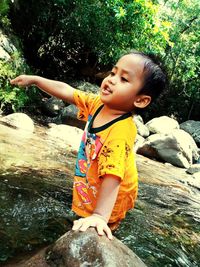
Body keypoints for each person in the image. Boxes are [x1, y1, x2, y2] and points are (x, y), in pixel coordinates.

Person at [10, 51, 166, 240]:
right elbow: (68, 92)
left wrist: (100, 216)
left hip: (114, 196)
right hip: (93, 180)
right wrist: (36, 80)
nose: (111, 80)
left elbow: (113, 175)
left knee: (97, 230)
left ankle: (103, 224)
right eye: (112, 72)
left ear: (140, 100)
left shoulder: (120, 131)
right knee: (82, 217)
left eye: (124, 79)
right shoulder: (98, 104)